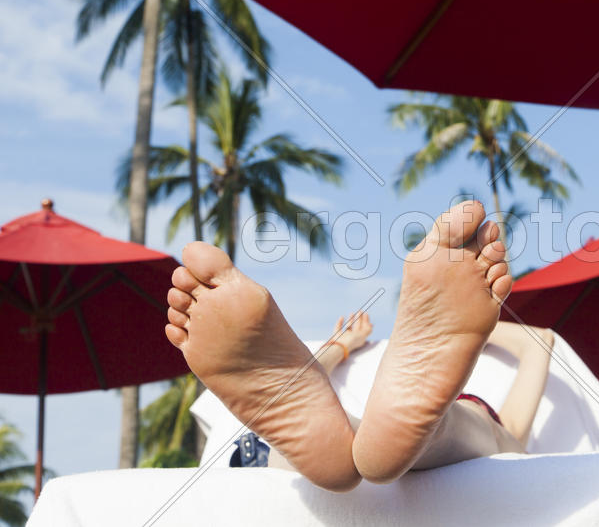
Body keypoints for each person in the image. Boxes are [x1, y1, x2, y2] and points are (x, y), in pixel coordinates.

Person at [164, 201, 553, 493]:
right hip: (443, 428)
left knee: (340, 432)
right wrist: (480, 320)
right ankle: (433, 431)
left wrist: (341, 346)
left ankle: (406, 431)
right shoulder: (498, 330)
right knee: (495, 435)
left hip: (254, 456)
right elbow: (541, 343)